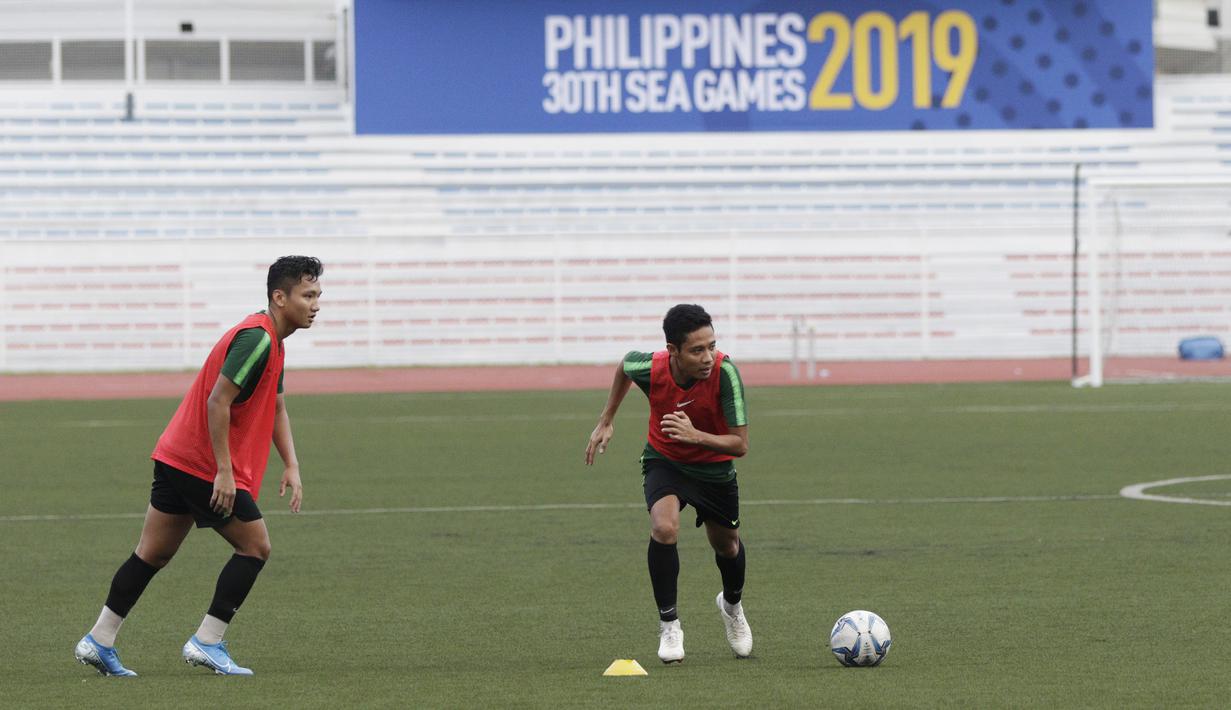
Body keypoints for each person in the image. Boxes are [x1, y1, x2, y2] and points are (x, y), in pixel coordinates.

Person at [74, 255, 323, 677]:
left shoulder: (273, 342)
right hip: (200, 463)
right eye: (308, 295)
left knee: (152, 553)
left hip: (178, 455)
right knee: (255, 547)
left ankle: (99, 639)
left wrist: (292, 464)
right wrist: (224, 471)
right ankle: (207, 641)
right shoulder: (258, 340)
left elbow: (277, 406)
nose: (316, 305)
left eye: (318, 295)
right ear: (280, 298)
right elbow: (217, 401)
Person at [585, 303, 752, 664]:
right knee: (664, 528)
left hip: (714, 469)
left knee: (727, 546)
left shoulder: (725, 373)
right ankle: (669, 625)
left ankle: (732, 606)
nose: (707, 357)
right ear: (673, 350)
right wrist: (607, 418)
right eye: (697, 350)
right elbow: (624, 366)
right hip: (666, 461)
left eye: (711, 346)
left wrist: (696, 436)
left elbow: (740, 445)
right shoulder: (653, 367)